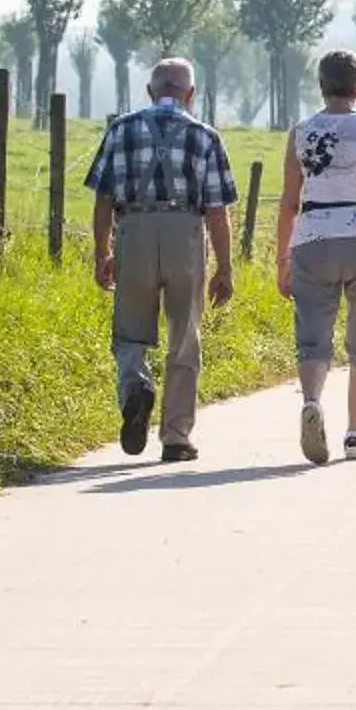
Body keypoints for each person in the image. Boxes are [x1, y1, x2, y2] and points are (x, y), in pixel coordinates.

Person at [84, 57, 239, 463]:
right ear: (190, 94)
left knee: (129, 333)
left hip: (133, 231)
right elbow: (218, 211)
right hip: (185, 234)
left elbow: (102, 200)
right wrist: (224, 267)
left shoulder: (120, 129)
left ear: (150, 92)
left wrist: (103, 252)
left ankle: (136, 388)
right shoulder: (205, 136)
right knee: (184, 336)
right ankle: (175, 437)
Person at [273, 48, 356, 464]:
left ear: (322, 85)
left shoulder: (301, 132)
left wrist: (281, 258)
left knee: (313, 336)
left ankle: (312, 399)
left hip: (312, 236)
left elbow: (288, 201)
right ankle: (354, 434)